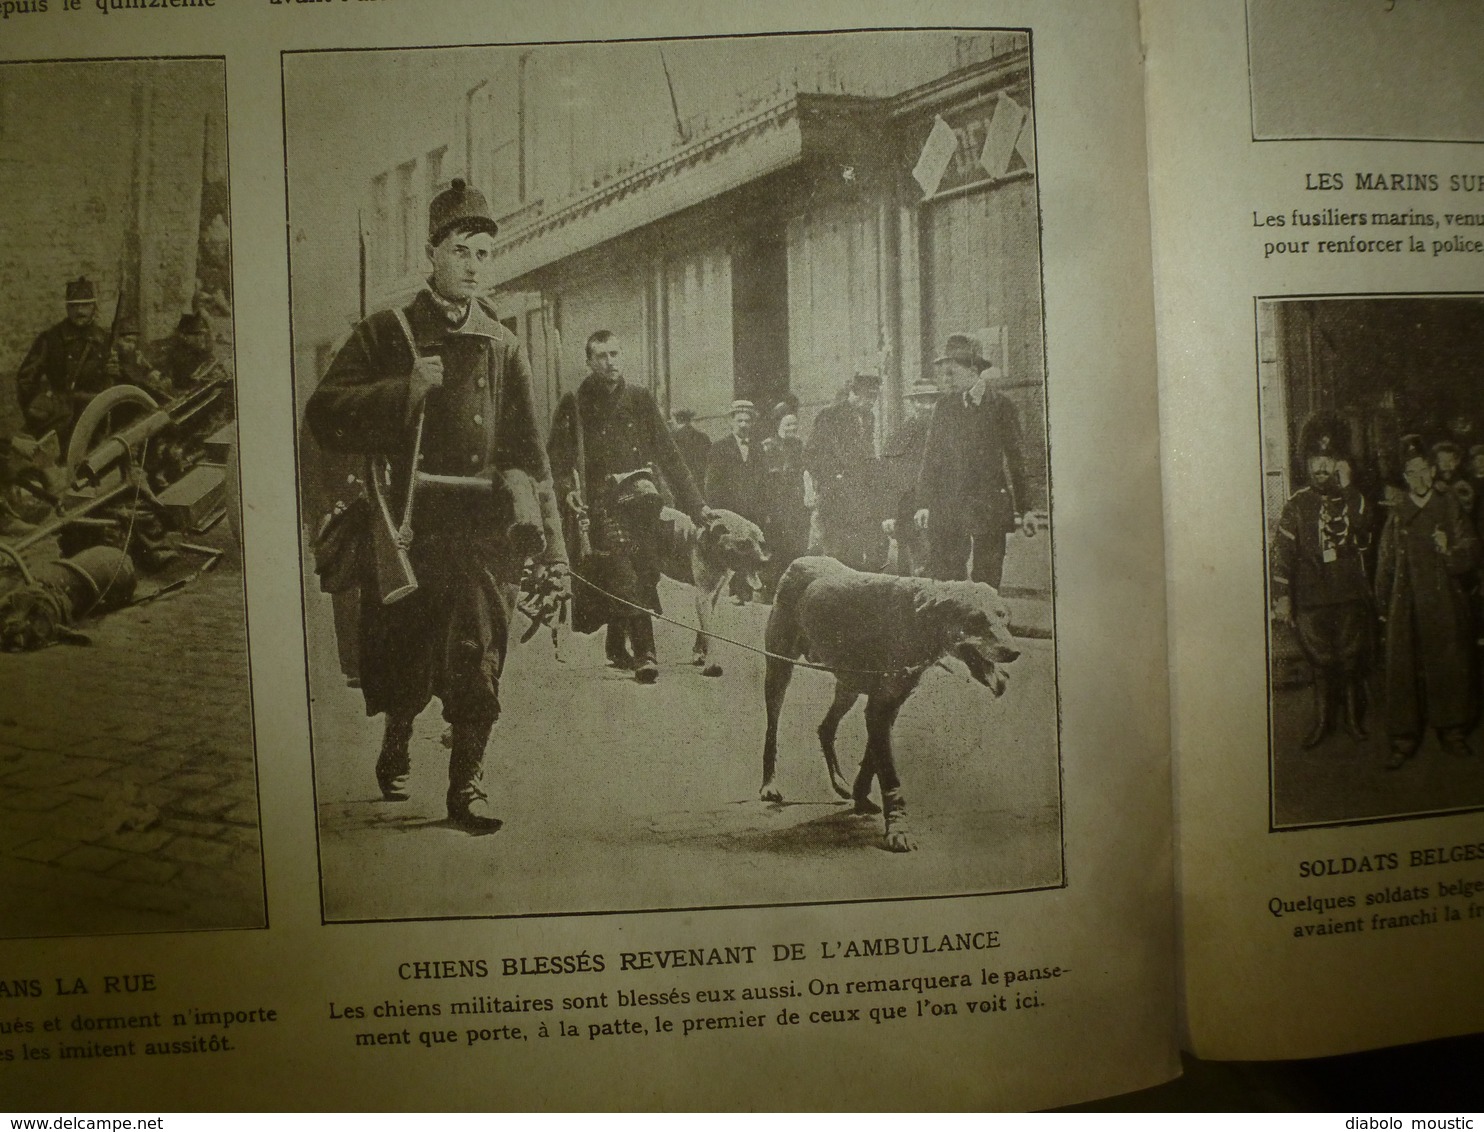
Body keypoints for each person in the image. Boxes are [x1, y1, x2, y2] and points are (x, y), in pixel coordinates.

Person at [305, 178, 567, 833]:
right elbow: (323, 412)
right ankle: (397, 737)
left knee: (480, 655)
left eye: (483, 253)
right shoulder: (387, 332)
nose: (473, 266)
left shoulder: (503, 346)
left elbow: (530, 455)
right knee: (406, 655)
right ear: (432, 254)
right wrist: (403, 392)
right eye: (460, 251)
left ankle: (467, 786)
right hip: (409, 527)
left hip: (482, 533)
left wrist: (554, 548)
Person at [547, 329, 706, 683]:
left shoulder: (640, 398)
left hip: (642, 498)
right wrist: (565, 488)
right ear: (589, 362)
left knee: (645, 567)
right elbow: (556, 457)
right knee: (621, 566)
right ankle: (646, 652)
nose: (610, 362)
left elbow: (670, 455)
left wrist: (698, 507)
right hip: (600, 502)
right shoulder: (574, 401)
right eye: (602, 356)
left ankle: (617, 645)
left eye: (615, 354)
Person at [1270, 413, 1374, 747]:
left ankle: (1354, 722)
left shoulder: (1354, 499)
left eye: (1328, 461)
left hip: (1347, 596)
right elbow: (1282, 554)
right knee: (1319, 664)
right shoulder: (1296, 505)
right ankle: (1322, 723)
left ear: (1339, 463)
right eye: (1316, 460)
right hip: (1311, 600)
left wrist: (1349, 489)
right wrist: (1282, 596)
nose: (1321, 468)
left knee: (1350, 660)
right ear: (1307, 463)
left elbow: (1364, 536)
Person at [1375, 438, 1479, 767]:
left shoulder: (1450, 506)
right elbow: (1385, 561)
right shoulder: (1398, 513)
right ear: (1404, 477)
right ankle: (1404, 738)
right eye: (1410, 471)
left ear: (1433, 471)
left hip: (1443, 600)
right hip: (1405, 605)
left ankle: (1452, 732)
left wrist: (1450, 550)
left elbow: (1474, 549)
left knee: (1448, 663)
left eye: (1422, 469)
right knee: (1404, 668)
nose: (1417, 476)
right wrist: (1382, 605)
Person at [914, 333, 1029, 588]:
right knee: (947, 577)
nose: (946, 380)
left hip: (989, 506)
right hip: (949, 505)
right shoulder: (944, 407)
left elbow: (1017, 459)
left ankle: (981, 625)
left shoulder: (1001, 406)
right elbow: (931, 459)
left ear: (973, 370)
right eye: (943, 374)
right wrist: (923, 503)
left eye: (951, 373)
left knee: (987, 581)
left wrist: (1027, 508)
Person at [15, 277, 113, 449]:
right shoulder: (51, 339)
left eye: (85, 305)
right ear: (67, 308)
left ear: (94, 308)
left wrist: (113, 373)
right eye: (74, 306)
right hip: (62, 418)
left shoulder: (103, 339)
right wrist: (40, 412)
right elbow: (26, 379)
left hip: (95, 415)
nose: (80, 311)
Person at [804, 371, 882, 571]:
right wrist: (834, 478)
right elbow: (812, 454)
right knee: (837, 553)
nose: (872, 402)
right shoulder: (830, 415)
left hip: (859, 496)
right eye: (869, 397)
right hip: (835, 497)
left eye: (875, 397)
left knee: (855, 553)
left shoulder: (868, 417)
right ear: (854, 393)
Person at [705, 400, 767, 602]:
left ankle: (747, 588)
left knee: (749, 547)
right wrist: (718, 510)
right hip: (730, 509)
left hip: (753, 508)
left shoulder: (758, 449)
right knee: (733, 547)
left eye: (747, 421)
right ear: (731, 422)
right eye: (739, 420)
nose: (743, 424)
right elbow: (712, 482)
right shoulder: (719, 447)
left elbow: (764, 479)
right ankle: (733, 590)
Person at [879, 379, 941, 576]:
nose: (926, 407)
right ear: (913, 404)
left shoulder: (945, 433)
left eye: (931, 401)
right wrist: (889, 513)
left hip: (939, 511)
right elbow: (889, 478)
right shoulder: (900, 435)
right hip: (907, 513)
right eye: (921, 401)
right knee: (910, 575)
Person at [760, 406, 809, 597]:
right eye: (788, 424)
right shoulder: (769, 446)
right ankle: (772, 589)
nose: (792, 428)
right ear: (779, 424)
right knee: (777, 545)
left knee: (796, 545)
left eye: (795, 424)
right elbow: (766, 478)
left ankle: (792, 589)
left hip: (795, 503)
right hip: (776, 503)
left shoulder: (797, 445)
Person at [669, 408, 712, 488]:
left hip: (680, 483)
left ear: (677, 420)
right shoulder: (703, 437)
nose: (671, 422)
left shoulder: (672, 438)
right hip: (699, 482)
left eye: (672, 419)